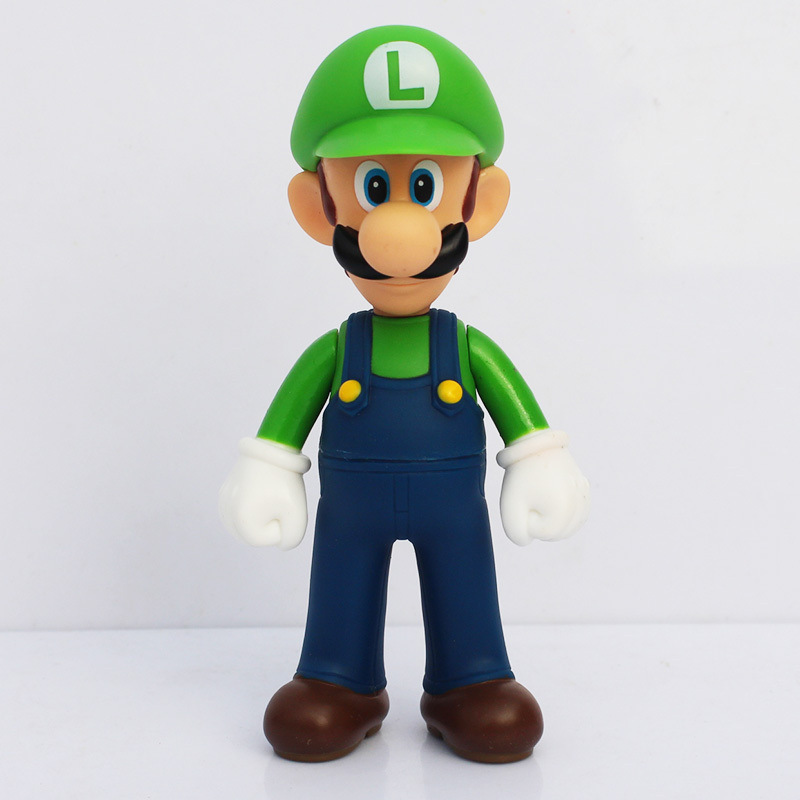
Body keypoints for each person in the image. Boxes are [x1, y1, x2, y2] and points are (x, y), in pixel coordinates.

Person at [220, 25, 590, 763]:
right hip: (349, 509)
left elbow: (519, 414)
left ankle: (471, 679)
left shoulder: (466, 346)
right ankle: (338, 678)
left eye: (425, 187)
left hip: (454, 508)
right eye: (371, 188)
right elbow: (288, 420)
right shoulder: (337, 350)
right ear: (319, 208)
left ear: (480, 203)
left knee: (464, 579)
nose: (398, 231)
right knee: (341, 580)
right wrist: (268, 469)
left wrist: (538, 458)